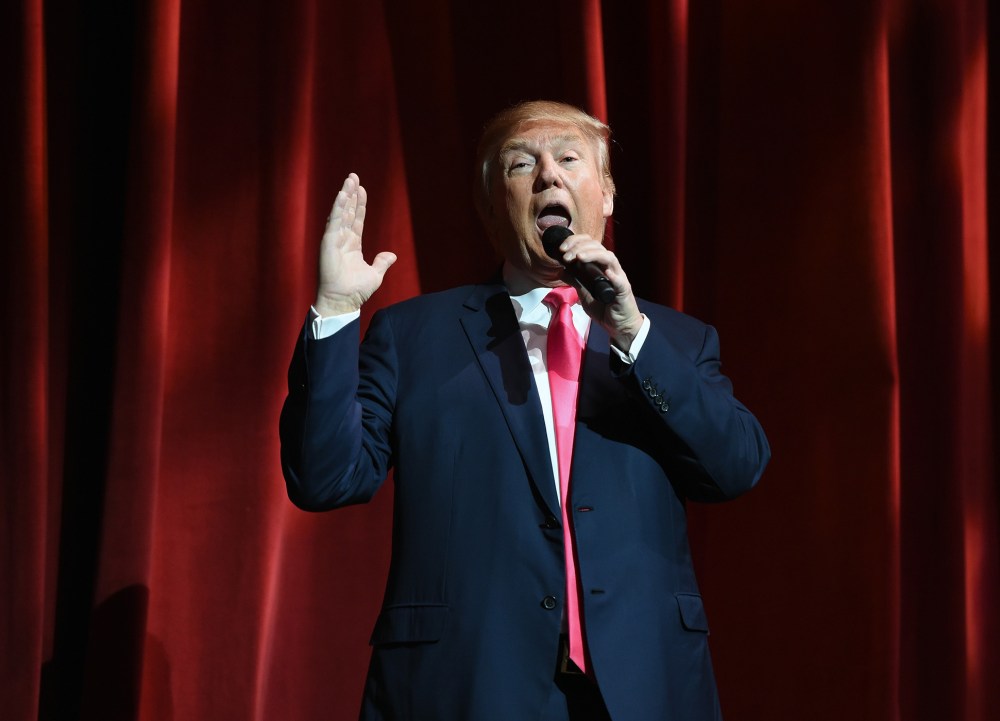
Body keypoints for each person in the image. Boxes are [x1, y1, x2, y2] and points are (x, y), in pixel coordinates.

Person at [279, 100, 770, 721]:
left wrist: (631, 334)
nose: (548, 176)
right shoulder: (413, 336)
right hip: (467, 685)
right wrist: (335, 309)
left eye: (568, 158)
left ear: (608, 195)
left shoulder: (674, 341)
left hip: (643, 687)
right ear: (491, 206)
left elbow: (736, 468)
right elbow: (324, 479)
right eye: (520, 164)